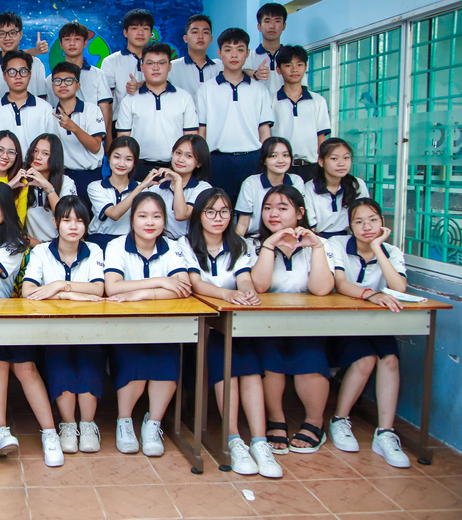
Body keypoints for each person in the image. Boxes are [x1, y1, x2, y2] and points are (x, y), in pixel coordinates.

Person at [0, 182, 63, 467]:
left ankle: (50, 434)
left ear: (7, 210)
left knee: (26, 368)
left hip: (6, 317)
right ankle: (0, 432)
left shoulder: (15, 244)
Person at [181, 189, 283, 478]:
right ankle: (233, 439)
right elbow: (196, 284)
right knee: (225, 362)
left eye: (225, 212)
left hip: (233, 324)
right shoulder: (184, 244)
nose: (218, 218)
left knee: (248, 367)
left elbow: (244, 278)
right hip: (202, 326)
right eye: (211, 212)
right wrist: (228, 294)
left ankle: (259, 442)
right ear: (199, 215)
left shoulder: (239, 244)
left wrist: (248, 293)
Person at [104, 193, 192, 456]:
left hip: (164, 327)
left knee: (167, 363)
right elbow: (113, 287)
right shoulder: (117, 245)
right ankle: (124, 421)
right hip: (125, 326)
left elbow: (183, 288)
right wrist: (161, 282)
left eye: (156, 216)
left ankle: (153, 424)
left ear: (165, 220)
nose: (150, 222)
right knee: (133, 364)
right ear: (132, 220)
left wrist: (143, 293)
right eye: (143, 216)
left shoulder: (172, 247)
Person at [326, 198, 411, 468]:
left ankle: (385, 432)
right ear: (350, 226)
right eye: (359, 222)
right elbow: (340, 283)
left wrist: (377, 248)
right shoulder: (337, 244)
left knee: (390, 360)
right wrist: (371, 295)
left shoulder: (391, 251)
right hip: (340, 323)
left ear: (382, 223)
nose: (367, 227)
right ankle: (340, 419)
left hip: (376, 323)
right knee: (365, 360)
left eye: (373, 220)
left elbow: (399, 287)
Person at [250, 185, 335, 455]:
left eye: (282, 208)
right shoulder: (253, 244)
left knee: (310, 355)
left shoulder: (319, 245)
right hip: (265, 324)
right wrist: (270, 245)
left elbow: (321, 289)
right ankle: (276, 419)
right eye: (268, 208)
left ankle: (314, 422)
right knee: (269, 355)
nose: (273, 214)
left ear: (300, 213)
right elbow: (260, 286)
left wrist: (316, 247)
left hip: (308, 323)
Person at [23, 195, 106, 455]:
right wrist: (69, 296)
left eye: (80, 221)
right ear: (55, 222)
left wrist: (60, 286)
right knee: (59, 361)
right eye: (67, 220)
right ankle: (68, 424)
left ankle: (88, 424)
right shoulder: (40, 251)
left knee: (90, 359)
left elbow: (98, 289)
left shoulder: (94, 250)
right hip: (51, 328)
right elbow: (28, 291)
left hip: (89, 327)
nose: (73, 226)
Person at [196, 28, 274, 203]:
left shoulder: (259, 89)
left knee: (254, 207)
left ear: (247, 53)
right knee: (219, 207)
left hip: (252, 159)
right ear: (219, 53)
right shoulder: (206, 89)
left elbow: (264, 130)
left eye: (240, 50)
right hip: (217, 160)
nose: (234, 55)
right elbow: (202, 130)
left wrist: (266, 159)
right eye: (228, 49)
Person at [117, 43, 199, 180]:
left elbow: (191, 138)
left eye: (161, 63)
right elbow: (123, 140)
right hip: (139, 168)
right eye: (150, 63)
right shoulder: (129, 100)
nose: (156, 68)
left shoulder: (184, 97)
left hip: (176, 167)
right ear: (142, 67)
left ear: (170, 66)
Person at [50, 62, 105, 210]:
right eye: (57, 81)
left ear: (78, 85)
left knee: (89, 218)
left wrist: (73, 127)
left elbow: (95, 146)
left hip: (89, 176)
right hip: (61, 176)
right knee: (65, 218)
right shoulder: (49, 113)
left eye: (69, 81)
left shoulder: (92, 110)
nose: (63, 85)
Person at [272, 45, 331, 181]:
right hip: (280, 166)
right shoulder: (271, 101)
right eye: (288, 65)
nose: (294, 69)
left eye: (299, 64)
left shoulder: (318, 101)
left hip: (311, 167)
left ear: (305, 67)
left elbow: (321, 138)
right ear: (278, 69)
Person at [0, 50, 58, 153]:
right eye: (12, 72)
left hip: (35, 163)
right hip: (5, 162)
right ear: (4, 76)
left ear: (30, 74)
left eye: (23, 71)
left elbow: (52, 146)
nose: (18, 76)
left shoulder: (45, 108)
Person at [143, 135, 212, 241]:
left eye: (189, 156)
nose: (180, 159)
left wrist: (178, 180)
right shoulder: (158, 185)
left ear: (199, 163)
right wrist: (143, 185)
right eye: (178, 153)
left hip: (191, 243)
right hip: (159, 241)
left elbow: (180, 215)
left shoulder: (203, 188)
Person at [235, 137, 308, 237]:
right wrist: (237, 243)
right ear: (264, 160)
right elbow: (243, 223)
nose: (281, 160)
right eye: (273, 156)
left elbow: (299, 218)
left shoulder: (296, 181)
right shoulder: (251, 183)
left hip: (289, 236)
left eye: (285, 155)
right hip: (258, 237)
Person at [100, 9, 155, 140]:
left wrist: (141, 84)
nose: (140, 33)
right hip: (120, 125)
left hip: (153, 123)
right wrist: (108, 139)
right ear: (125, 32)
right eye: (135, 28)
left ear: (151, 33)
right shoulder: (111, 61)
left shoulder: (159, 61)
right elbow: (107, 104)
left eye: (145, 28)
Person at [0, 12, 49, 104]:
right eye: (2, 33)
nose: (7, 38)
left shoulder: (36, 64)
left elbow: (43, 100)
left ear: (21, 34)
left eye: (12, 33)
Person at [85, 136, 143, 249]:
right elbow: (114, 214)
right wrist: (140, 188)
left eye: (128, 159)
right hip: (99, 240)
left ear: (135, 163)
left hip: (130, 240)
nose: (121, 163)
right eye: (117, 157)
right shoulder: (96, 187)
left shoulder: (143, 188)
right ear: (109, 158)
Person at [305, 137, 369, 238]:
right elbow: (311, 227)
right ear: (321, 162)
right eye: (334, 158)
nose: (341, 164)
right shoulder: (309, 188)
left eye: (346, 158)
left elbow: (365, 217)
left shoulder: (357, 185)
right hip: (320, 239)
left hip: (351, 238)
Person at [24, 133, 78, 245]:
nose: (38, 157)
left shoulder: (66, 182)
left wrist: (48, 187)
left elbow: (68, 217)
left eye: (45, 153)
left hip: (61, 245)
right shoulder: (22, 180)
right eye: (35, 151)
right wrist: (40, 247)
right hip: (30, 245)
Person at [46, 22, 112, 113]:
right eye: (67, 39)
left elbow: (105, 112)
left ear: (85, 43)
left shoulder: (98, 75)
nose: (72, 43)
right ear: (61, 44)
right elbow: (50, 110)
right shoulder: (51, 79)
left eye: (77, 39)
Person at [168, 14, 223, 100]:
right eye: (195, 32)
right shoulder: (172, 67)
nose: (200, 36)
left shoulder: (220, 66)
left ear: (211, 39)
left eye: (205, 32)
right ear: (185, 38)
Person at [244, 3, 288, 96]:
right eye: (267, 21)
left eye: (277, 21)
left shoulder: (291, 57)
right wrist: (255, 74)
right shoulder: (249, 57)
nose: (272, 26)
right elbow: (238, 73)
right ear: (259, 26)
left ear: (284, 26)